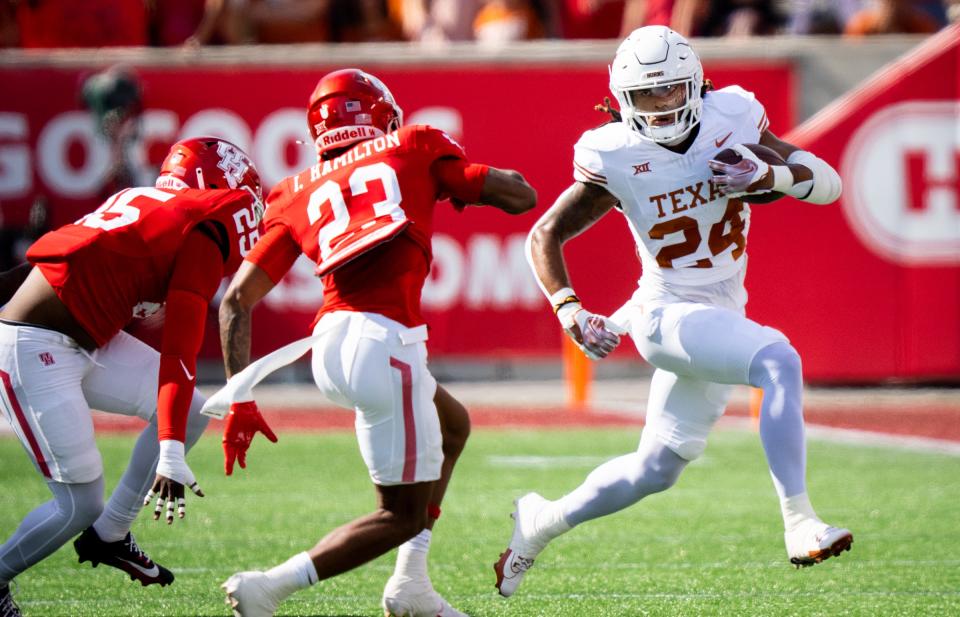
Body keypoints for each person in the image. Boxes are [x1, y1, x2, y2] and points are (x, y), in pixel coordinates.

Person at [494, 25, 851, 598]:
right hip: (664, 313)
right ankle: (800, 520)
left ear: (695, 83)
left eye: (670, 90)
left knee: (655, 469)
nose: (661, 105)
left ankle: (540, 521)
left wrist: (769, 175)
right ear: (620, 100)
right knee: (778, 360)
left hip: (720, 310)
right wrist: (568, 309)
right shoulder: (613, 152)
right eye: (645, 95)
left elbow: (830, 184)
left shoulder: (732, 115)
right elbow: (545, 235)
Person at [216, 68, 536, 617]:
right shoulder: (412, 144)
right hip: (383, 343)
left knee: (452, 424)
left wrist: (240, 397)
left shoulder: (294, 190)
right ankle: (269, 586)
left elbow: (235, 302)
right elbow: (519, 196)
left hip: (331, 345)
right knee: (399, 515)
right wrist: (451, 171)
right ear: (382, 114)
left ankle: (411, 582)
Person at [0, 137, 267, 614]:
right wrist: (167, 451)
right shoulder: (205, 224)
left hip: (81, 337)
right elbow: (180, 349)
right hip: (32, 342)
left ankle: (112, 533)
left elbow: (51, 263)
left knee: (192, 412)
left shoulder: (142, 200)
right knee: (78, 503)